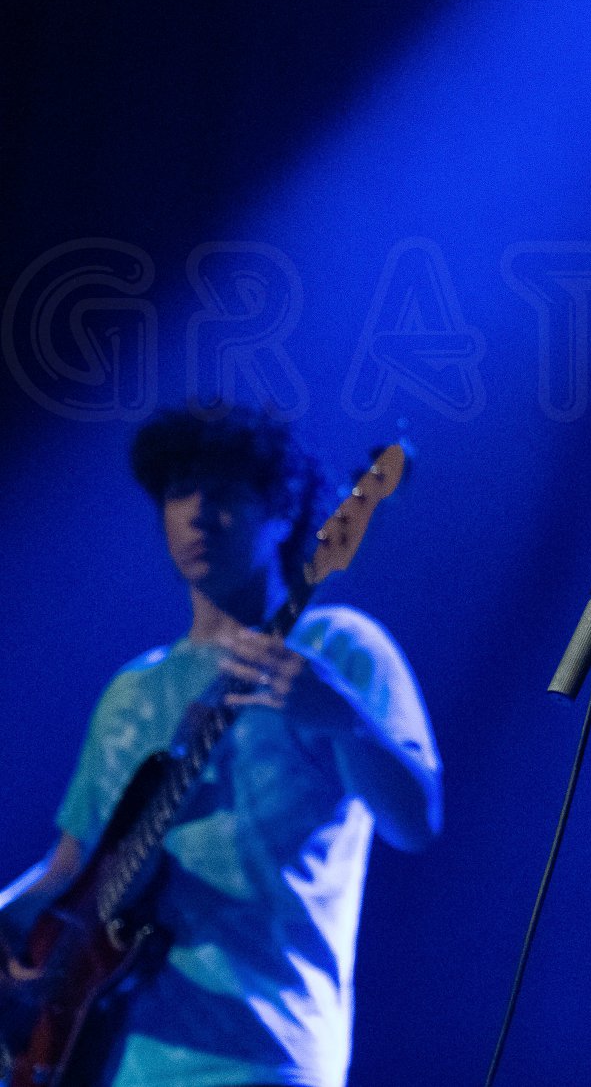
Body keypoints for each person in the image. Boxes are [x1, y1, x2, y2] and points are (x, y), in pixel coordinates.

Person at [0, 406, 442, 1087]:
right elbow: (71, 864)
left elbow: (416, 822)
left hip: (266, 1055)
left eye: (226, 492)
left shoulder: (340, 647)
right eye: (180, 491)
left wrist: (344, 717)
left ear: (284, 510)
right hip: (109, 1055)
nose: (199, 513)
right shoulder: (132, 689)